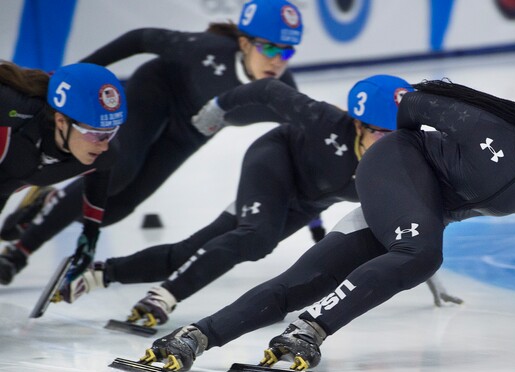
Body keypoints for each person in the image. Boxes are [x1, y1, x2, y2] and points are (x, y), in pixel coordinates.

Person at [131, 60, 515, 372]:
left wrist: (420, 213)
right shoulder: (480, 126)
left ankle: (192, 338)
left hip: (418, 210)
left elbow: (461, 203)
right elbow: (409, 106)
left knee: (306, 279)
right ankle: (309, 331)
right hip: (396, 165)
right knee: (421, 252)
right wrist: (396, 157)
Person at [54, 75, 463, 325]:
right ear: (356, 124)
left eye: (398, 137)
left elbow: (409, 230)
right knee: (256, 237)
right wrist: (218, 107)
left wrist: (432, 281)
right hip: (274, 161)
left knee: (195, 248)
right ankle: (163, 297)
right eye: (378, 133)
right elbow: (269, 90)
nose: (387, 145)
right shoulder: (325, 122)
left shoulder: (400, 168)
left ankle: (100, 274)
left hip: (304, 203)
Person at [0, 0, 304, 284]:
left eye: (287, 52)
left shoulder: (281, 90)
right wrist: (63, 79)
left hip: (190, 131)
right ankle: (19, 252)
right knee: (120, 170)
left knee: (118, 207)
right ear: (244, 42)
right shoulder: (206, 49)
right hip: (156, 92)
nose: (278, 61)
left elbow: (303, 140)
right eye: (269, 49)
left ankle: (49, 203)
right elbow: (138, 38)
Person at [0, 61, 127, 285]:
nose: (104, 145)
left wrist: (90, 235)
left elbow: (99, 178)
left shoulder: (104, 154)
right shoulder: (12, 106)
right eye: (96, 134)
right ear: (61, 121)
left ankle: (34, 208)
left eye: (111, 132)